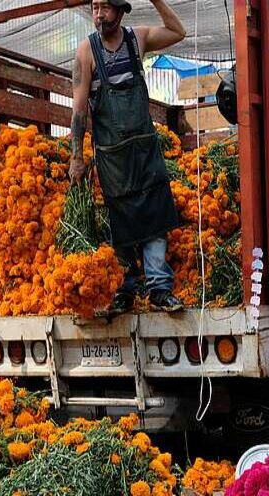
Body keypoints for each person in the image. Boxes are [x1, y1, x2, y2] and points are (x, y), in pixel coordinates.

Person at [70, 0, 186, 313]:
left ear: (121, 11)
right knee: (120, 222)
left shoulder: (138, 40)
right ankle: (126, 288)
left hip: (145, 151)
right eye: (95, 7)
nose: (99, 14)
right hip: (114, 158)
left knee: (155, 214)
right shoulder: (86, 53)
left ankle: (160, 289)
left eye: (106, 7)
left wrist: (156, 1)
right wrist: (76, 157)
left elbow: (179, 31)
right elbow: (79, 112)